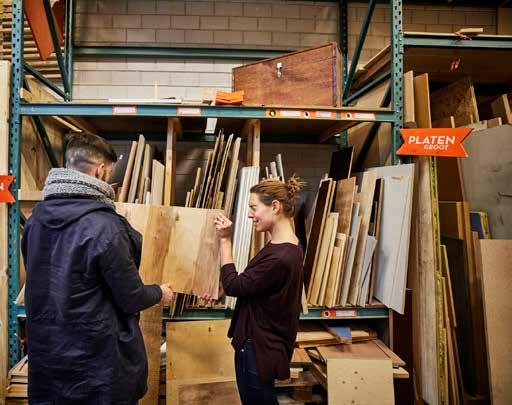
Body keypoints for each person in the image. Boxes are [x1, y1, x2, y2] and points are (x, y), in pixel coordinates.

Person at [21, 133, 173, 405]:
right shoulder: (105, 227)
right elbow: (130, 297)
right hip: (97, 367)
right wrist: (159, 293)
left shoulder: (36, 220)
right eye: (110, 172)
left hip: (50, 360)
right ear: (100, 170)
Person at [209, 176, 305, 405]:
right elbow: (258, 285)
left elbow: (236, 286)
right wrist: (223, 288)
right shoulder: (288, 246)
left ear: (275, 206)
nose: (250, 214)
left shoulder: (280, 256)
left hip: (258, 348)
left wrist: (224, 240)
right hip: (263, 344)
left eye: (254, 207)